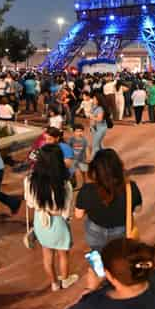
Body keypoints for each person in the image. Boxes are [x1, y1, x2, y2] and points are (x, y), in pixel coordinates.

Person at [24, 144, 79, 291]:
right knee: (63, 254)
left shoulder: (30, 180)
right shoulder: (64, 184)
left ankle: (54, 283)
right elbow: (66, 212)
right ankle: (65, 280)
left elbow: (29, 203)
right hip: (58, 222)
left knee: (47, 255)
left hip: (40, 221)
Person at [75, 149, 142, 251]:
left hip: (95, 231)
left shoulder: (87, 189)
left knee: (99, 261)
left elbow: (78, 215)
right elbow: (138, 209)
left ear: (95, 169)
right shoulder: (130, 187)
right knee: (118, 260)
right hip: (121, 232)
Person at [68, 124, 88, 188]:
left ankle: (85, 183)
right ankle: (72, 184)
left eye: (81, 131)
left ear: (83, 132)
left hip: (82, 159)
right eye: (77, 131)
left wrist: (88, 157)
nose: (79, 133)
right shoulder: (71, 139)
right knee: (71, 172)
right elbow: (68, 148)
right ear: (74, 132)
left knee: (84, 171)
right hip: (73, 159)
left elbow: (86, 148)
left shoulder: (84, 140)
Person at [90, 93, 108, 159]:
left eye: (94, 99)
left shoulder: (100, 108)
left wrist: (92, 117)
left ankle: (92, 159)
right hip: (94, 128)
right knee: (99, 144)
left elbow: (100, 119)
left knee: (95, 145)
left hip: (100, 128)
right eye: (93, 99)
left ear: (98, 100)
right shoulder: (94, 107)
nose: (93, 100)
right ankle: (105, 157)